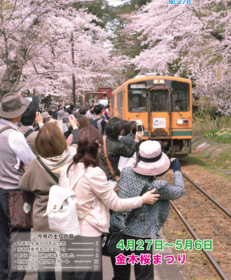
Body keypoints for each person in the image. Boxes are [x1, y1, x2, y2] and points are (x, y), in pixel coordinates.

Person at [59, 126, 160, 280]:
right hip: (87, 233)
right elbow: (116, 205)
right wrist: (142, 199)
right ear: (97, 148)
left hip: (67, 230)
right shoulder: (94, 172)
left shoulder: (66, 168)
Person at [110, 141, 185, 280]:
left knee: (120, 276)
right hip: (141, 238)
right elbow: (179, 191)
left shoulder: (125, 173)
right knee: (144, 277)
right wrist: (177, 170)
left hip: (119, 232)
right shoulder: (157, 186)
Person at [19, 118, 79, 280]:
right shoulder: (73, 159)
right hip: (69, 217)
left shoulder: (36, 165)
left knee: (45, 265)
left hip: (45, 220)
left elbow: (24, 186)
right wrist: (75, 128)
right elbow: (76, 143)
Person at [0, 93, 35, 280]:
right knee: (20, 240)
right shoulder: (14, 136)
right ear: (18, 114)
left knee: (3, 239)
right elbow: (31, 162)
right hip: (15, 192)